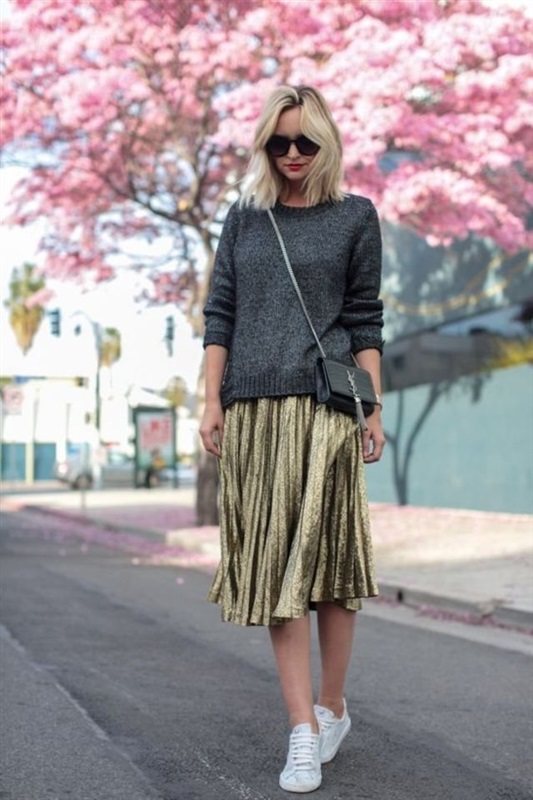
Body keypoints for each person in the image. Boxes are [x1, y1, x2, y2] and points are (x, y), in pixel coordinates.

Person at [200, 85, 385, 794]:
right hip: (253, 411)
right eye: (278, 142)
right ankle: (301, 728)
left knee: (330, 566)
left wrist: (372, 408)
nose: (292, 153)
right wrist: (210, 400)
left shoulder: (355, 216)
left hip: (325, 410)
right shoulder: (245, 219)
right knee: (279, 567)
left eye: (305, 140)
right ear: (263, 145)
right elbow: (220, 312)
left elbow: (364, 319)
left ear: (326, 141)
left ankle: (332, 706)